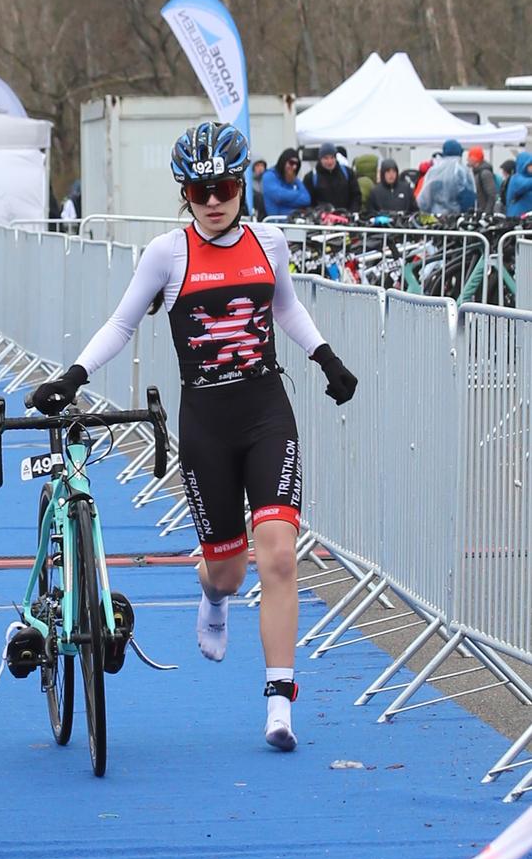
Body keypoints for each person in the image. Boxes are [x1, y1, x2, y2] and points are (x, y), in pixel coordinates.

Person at [28, 122, 357, 753]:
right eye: (200, 189)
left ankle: (279, 705)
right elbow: (122, 325)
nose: (214, 200)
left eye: (226, 186)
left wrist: (325, 356)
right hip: (205, 421)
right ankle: (211, 593)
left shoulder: (271, 241)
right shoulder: (166, 254)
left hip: (266, 409)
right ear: (185, 193)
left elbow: (284, 305)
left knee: (280, 554)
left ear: (244, 185)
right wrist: (72, 377)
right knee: (231, 573)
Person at [418, 140, 477, 215]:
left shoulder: (434, 171)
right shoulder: (463, 172)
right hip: (455, 218)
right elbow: (468, 199)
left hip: (434, 217)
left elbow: (424, 200)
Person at [303, 141, 361, 212]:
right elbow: (308, 203)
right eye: (326, 158)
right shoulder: (311, 177)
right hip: (322, 219)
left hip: (346, 217)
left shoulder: (348, 173)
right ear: (320, 159)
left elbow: (356, 195)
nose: (329, 162)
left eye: (332, 157)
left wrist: (352, 212)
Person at [260, 148, 310, 218]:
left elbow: (306, 199)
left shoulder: (294, 178)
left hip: (292, 222)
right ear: (284, 161)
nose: (294, 167)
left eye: (297, 164)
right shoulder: (269, 176)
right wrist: (297, 193)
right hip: (275, 222)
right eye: (291, 163)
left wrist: (284, 201)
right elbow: (278, 195)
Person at [468, 146, 499, 213]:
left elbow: (492, 195)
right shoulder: (477, 172)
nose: (467, 159)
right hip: (479, 212)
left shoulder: (485, 173)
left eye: (469, 156)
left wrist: (486, 213)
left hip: (483, 213)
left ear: (475, 158)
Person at [505, 152, 532, 218]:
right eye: (530, 164)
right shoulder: (515, 179)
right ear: (523, 165)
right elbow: (525, 185)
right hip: (516, 218)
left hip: (527, 218)